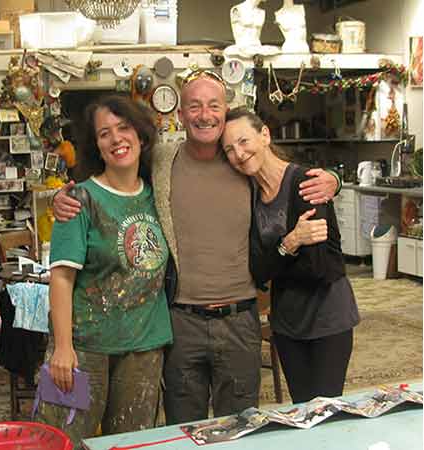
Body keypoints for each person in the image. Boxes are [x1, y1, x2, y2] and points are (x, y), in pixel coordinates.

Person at [52, 70, 340, 424]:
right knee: (178, 428)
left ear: (225, 110)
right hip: (176, 323)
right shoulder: (161, 161)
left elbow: (283, 174)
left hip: (237, 320)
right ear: (180, 114)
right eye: (194, 106)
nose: (204, 115)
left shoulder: (241, 160)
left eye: (213, 105)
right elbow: (112, 173)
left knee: (239, 427)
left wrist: (333, 180)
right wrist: (63, 195)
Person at [36, 95, 172, 448]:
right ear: (96, 145)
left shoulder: (160, 195)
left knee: (129, 443)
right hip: (83, 349)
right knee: (62, 441)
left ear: (141, 135)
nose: (116, 139)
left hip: (144, 349)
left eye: (124, 128)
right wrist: (62, 348)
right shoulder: (79, 200)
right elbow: (62, 279)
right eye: (104, 133)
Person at [221, 106, 360, 404]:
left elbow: (318, 267)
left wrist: (275, 259)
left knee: (325, 411)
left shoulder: (306, 183)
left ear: (265, 135)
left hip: (327, 316)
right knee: (301, 409)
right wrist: (291, 242)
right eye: (229, 149)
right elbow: (257, 272)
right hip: (287, 322)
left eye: (244, 141)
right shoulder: (249, 196)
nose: (239, 153)